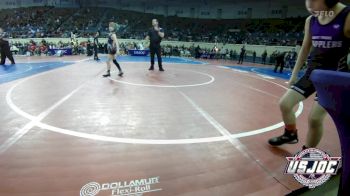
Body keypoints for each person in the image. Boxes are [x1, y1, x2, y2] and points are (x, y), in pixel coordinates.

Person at [268, 0, 350, 148]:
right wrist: (294, 74)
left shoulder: (347, 16)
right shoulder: (311, 20)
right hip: (312, 73)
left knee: (315, 119)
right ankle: (290, 134)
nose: (309, 5)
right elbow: (305, 48)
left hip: (333, 77)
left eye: (313, 1)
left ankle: (307, 152)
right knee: (285, 104)